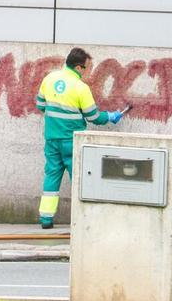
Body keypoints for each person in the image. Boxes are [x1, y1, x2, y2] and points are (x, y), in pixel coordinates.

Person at [34, 47, 127, 229]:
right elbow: (93, 117)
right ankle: (82, 218)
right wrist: (110, 116)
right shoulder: (80, 88)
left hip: (52, 139)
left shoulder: (49, 79)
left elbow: (40, 105)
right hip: (72, 140)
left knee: (52, 175)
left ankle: (46, 218)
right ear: (78, 67)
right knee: (79, 178)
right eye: (87, 68)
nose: (88, 71)